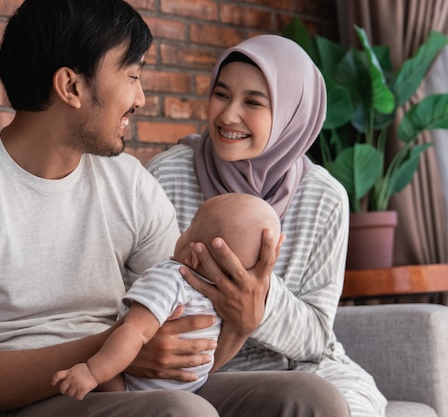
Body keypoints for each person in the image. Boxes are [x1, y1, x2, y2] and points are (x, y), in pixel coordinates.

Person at [0, 1, 351, 416]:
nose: (141, 97)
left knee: (312, 399)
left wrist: (241, 322)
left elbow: (183, 326)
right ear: (71, 86)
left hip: (130, 383)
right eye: (131, 75)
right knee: (182, 413)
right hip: (40, 399)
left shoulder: (129, 183)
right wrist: (114, 347)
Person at [147, 34, 388, 417]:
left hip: (303, 368)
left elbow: (315, 338)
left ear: (293, 113)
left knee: (346, 406)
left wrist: (256, 303)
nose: (227, 115)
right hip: (193, 371)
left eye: (253, 102)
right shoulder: (167, 174)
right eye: (221, 94)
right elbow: (145, 295)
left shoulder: (324, 197)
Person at [52, 193, 281, 399]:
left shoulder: (171, 280)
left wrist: (92, 372)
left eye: (189, 228)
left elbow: (133, 332)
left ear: (193, 255)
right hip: (173, 389)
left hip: (140, 388)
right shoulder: (220, 298)